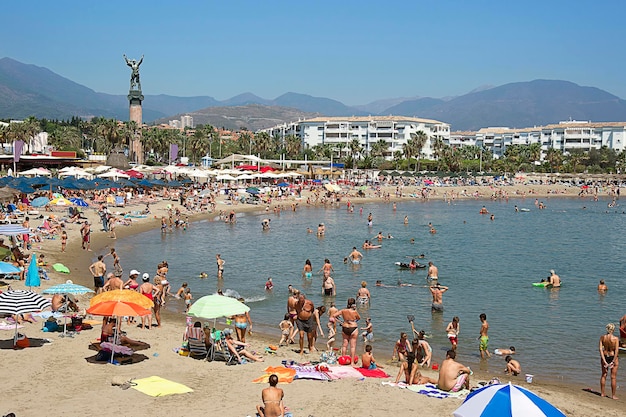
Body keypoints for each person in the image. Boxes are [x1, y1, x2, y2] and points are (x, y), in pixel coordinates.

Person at [334, 298, 361, 362]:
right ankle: (352, 362)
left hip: (345, 326)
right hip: (353, 327)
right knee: (352, 346)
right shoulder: (354, 312)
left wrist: (340, 322)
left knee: (344, 345)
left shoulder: (343, 311)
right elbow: (358, 318)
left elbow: (334, 316)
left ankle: (343, 359)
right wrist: (354, 320)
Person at [599, 323, 619, 399]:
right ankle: (613, 395)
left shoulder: (602, 338)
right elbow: (616, 351)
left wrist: (604, 360)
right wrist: (613, 361)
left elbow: (600, 349)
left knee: (604, 374)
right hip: (613, 356)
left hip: (605, 356)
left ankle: (602, 393)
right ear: (613, 330)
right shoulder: (615, 339)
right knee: (613, 377)